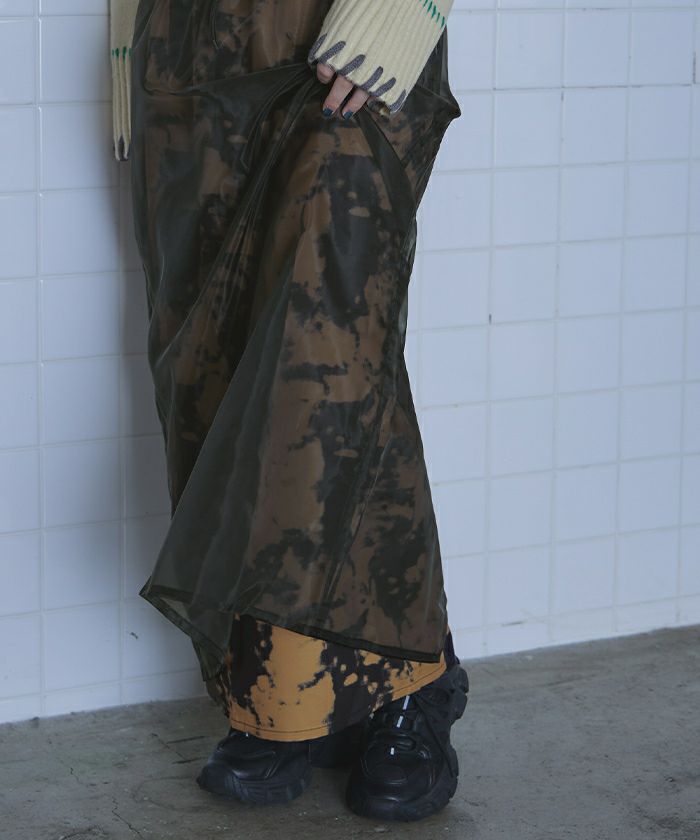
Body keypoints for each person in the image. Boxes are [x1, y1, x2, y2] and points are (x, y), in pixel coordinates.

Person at [109, 0, 469, 822]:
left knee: (329, 362)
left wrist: (398, 9)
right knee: (210, 366)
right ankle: (287, 694)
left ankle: (409, 681)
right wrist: (132, 54)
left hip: (335, 32)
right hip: (186, 51)